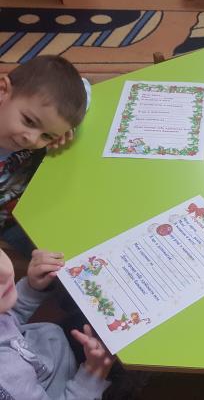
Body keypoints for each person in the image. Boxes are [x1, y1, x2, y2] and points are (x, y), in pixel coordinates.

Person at [0, 55, 90, 257]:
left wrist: (63, 129)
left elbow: (84, 87)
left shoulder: (36, 115)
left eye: (47, 136)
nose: (32, 139)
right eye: (29, 121)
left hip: (30, 205)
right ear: (3, 90)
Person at [0, 247, 114, 398]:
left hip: (51, 348)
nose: (4, 271)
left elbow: (7, 318)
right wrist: (94, 373)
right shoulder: (8, 380)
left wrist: (30, 288)